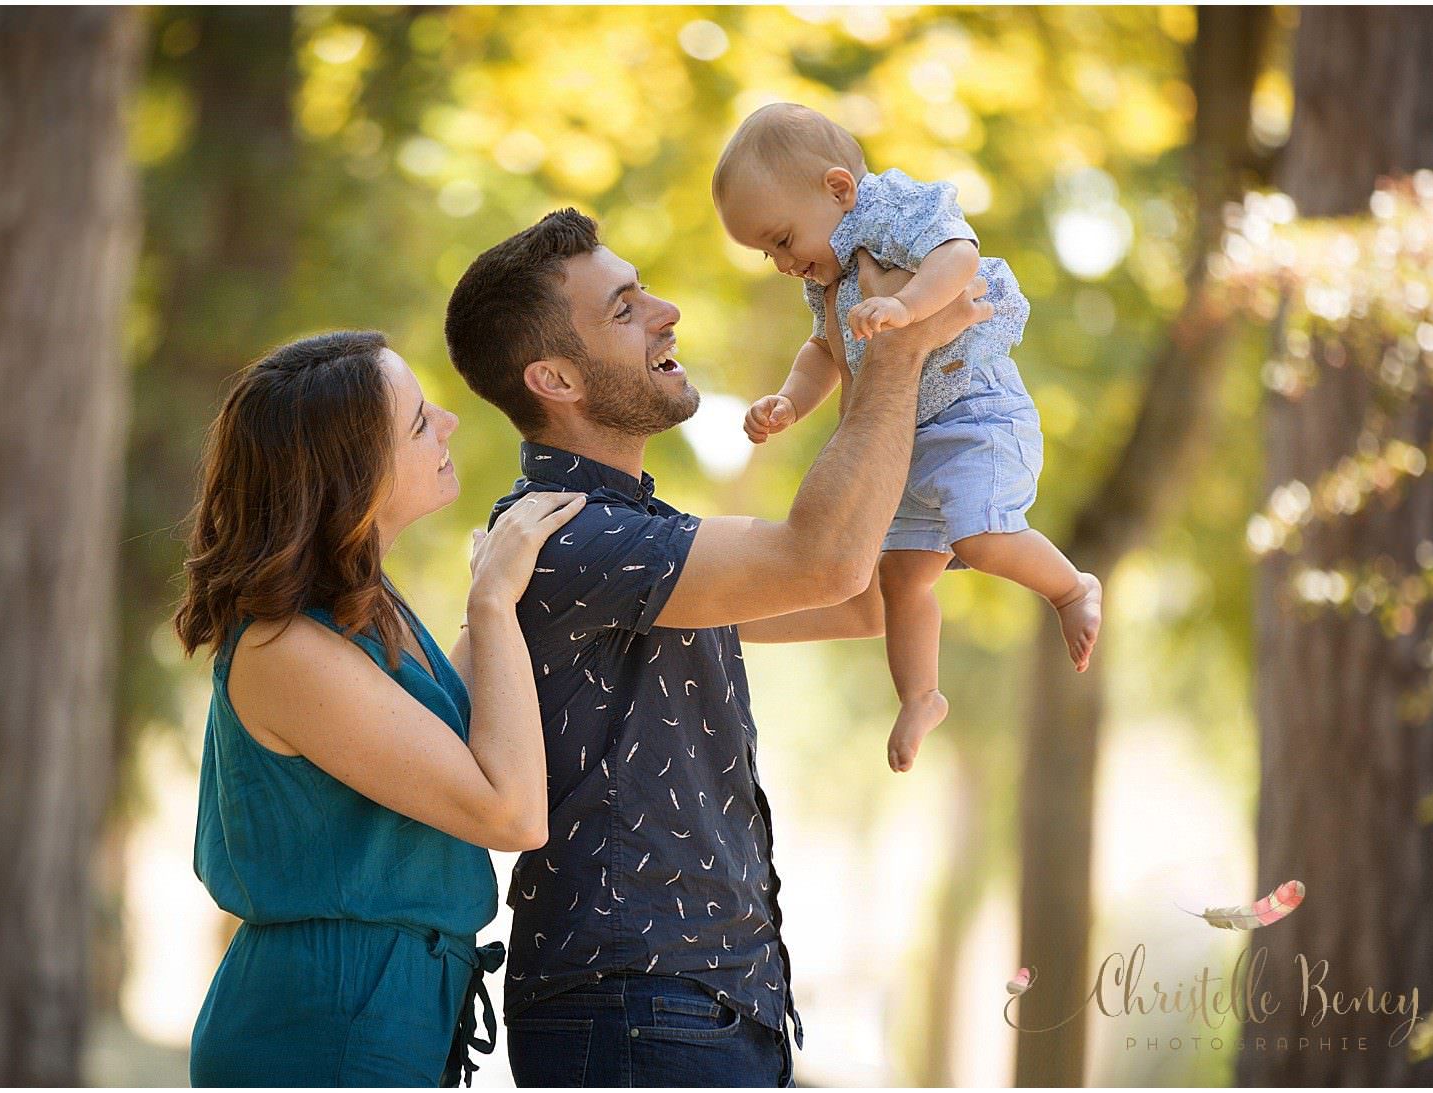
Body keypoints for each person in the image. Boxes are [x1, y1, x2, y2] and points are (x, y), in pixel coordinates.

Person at [443, 209, 991, 1086]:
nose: (666, 311)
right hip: (641, 1005)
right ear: (554, 377)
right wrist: (895, 353)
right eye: (623, 309)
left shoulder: (637, 534)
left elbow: (857, 597)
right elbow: (826, 558)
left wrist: (966, 424)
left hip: (699, 1000)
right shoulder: (567, 540)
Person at [173, 330, 586, 1086]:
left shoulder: (364, 612)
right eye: (420, 421)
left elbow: (446, 737)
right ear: (352, 476)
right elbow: (511, 812)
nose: (450, 423)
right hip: (322, 1021)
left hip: (385, 1004)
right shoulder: (285, 651)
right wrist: (491, 599)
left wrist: (487, 603)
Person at [713, 102, 1103, 772]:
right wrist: (788, 402)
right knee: (900, 577)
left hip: (973, 412)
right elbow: (821, 354)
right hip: (912, 438)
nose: (780, 263)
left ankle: (1069, 588)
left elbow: (958, 257)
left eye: (780, 240)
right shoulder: (830, 275)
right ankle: (921, 695)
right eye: (765, 253)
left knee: (978, 537)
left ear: (837, 188)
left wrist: (905, 307)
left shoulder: (889, 211)